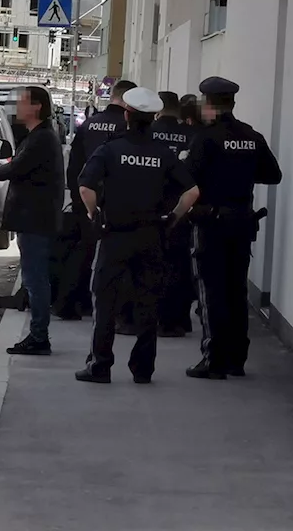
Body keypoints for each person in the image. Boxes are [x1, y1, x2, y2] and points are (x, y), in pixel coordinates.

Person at [75, 88, 201, 384]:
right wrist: (172, 219)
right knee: (148, 303)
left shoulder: (109, 149)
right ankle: (143, 369)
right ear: (153, 117)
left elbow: (85, 188)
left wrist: (95, 214)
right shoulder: (162, 154)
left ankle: (100, 366)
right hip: (151, 237)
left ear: (128, 116)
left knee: (105, 303)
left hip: (115, 236)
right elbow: (192, 191)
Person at [184, 76, 282, 380]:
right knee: (237, 290)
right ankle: (237, 358)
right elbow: (272, 174)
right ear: (233, 102)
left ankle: (213, 359)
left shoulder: (206, 138)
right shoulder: (252, 136)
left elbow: (186, 180)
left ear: (208, 103)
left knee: (211, 290)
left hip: (212, 221)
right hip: (242, 221)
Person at [0, 86, 65, 356]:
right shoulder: (39, 136)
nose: (17, 108)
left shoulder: (41, 138)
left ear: (36, 107)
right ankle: (38, 334)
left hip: (35, 220)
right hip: (35, 219)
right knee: (34, 278)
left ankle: (39, 337)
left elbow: (16, 167)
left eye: (22, 103)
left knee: (35, 279)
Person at [56, 80, 137, 322]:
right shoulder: (129, 127)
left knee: (82, 251)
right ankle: (114, 308)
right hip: (118, 204)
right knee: (116, 258)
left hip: (86, 197)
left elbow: (73, 164)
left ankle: (72, 302)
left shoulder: (88, 124)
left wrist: (77, 196)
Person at [151, 91, 199, 336]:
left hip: (151, 208)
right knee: (180, 263)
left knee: (152, 264)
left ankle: (155, 318)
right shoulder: (192, 135)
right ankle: (178, 319)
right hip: (182, 209)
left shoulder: (147, 133)